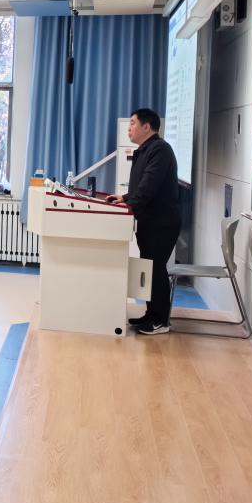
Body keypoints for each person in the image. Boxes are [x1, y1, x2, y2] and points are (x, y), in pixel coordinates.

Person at [106, 108, 181, 336]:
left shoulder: (160, 150)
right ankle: (151, 314)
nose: (129, 128)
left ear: (146, 127)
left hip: (161, 223)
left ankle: (161, 321)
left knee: (156, 269)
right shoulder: (146, 150)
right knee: (150, 268)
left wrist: (129, 206)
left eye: (133, 123)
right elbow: (141, 187)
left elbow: (149, 187)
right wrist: (125, 198)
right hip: (150, 221)